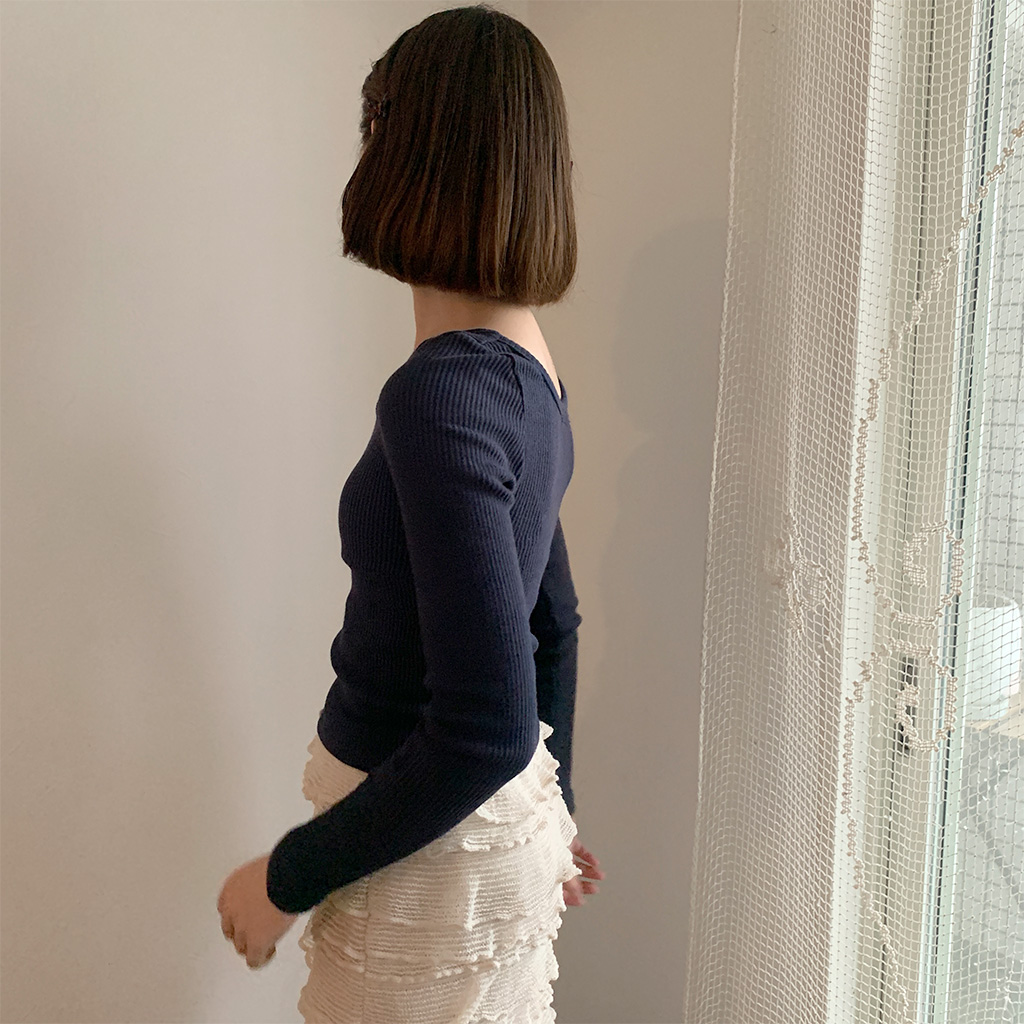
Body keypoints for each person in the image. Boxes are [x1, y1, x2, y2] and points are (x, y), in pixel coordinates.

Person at [217, 5, 604, 1021]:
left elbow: (483, 725)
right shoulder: (530, 375)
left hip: (427, 864)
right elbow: (551, 620)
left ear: (413, 149)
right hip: (478, 835)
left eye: (374, 122)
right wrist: (554, 811)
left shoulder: (440, 394)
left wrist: (281, 880)